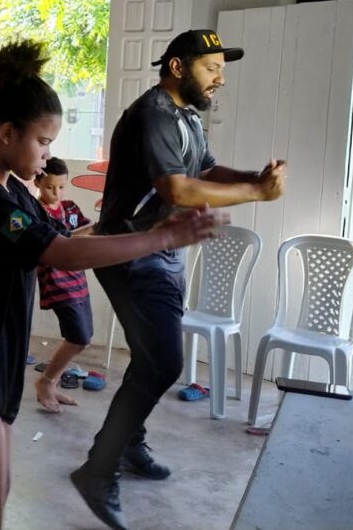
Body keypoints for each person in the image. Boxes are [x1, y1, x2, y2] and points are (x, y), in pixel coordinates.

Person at [0, 40, 227, 529]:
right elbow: (60, 255)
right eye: (43, 142)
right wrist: (160, 236)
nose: (48, 155)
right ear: (5, 133)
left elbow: (58, 236)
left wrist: (121, 227)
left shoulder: (13, 189)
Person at [73, 30, 285, 529]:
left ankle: (129, 446)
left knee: (152, 359)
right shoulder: (154, 114)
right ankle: (98, 469)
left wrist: (252, 176)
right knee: (165, 360)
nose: (220, 79)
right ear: (177, 67)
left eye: (222, 70)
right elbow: (178, 187)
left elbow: (205, 170)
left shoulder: (188, 116)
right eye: (211, 68)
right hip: (130, 252)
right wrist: (255, 193)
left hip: (160, 252)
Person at [33, 157, 96, 413]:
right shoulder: (36, 212)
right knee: (77, 336)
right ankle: (45, 383)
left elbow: (87, 230)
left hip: (78, 279)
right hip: (56, 282)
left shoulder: (70, 208)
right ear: (38, 182)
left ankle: (50, 382)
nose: (56, 193)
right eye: (50, 187)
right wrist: (92, 231)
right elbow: (61, 240)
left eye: (61, 187)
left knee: (83, 338)